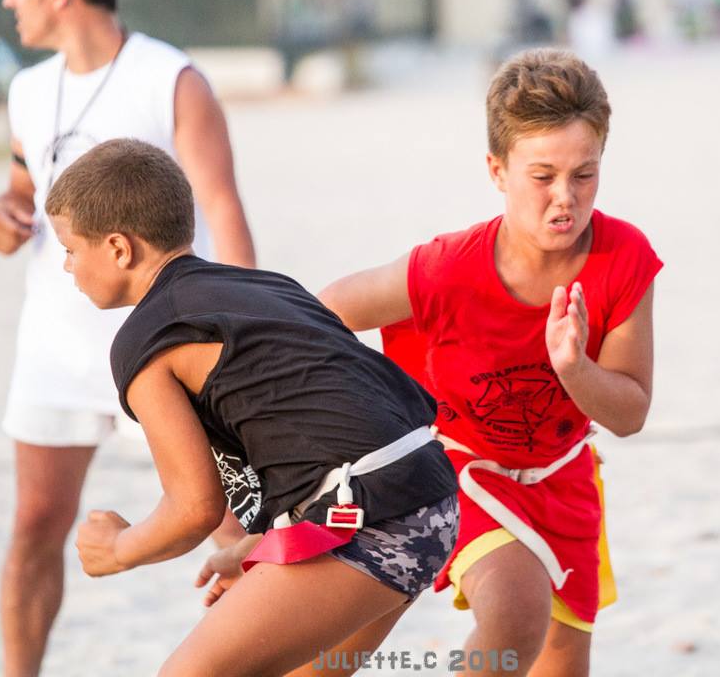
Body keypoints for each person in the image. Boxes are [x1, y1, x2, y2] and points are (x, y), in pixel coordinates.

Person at [43, 138, 459, 677]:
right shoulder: (265, 287)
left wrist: (119, 549)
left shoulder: (147, 341)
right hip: (428, 494)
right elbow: (322, 428)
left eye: (71, 249)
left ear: (119, 248)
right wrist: (263, 548)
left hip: (368, 513)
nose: (66, 266)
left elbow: (192, 511)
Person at [319, 49, 662, 676]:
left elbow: (632, 413)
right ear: (497, 171)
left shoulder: (626, 259)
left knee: (556, 661)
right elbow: (324, 314)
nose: (565, 198)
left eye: (584, 174)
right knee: (514, 611)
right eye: (543, 176)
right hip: (455, 471)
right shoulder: (447, 268)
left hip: (564, 479)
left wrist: (576, 371)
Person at [0, 0, 255, 677]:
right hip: (54, 343)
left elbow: (222, 209)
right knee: (35, 524)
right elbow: (20, 194)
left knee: (232, 522)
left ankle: (268, 650)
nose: (9, 0)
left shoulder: (172, 79)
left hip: (165, 344)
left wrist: (240, 331)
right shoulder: (29, 90)